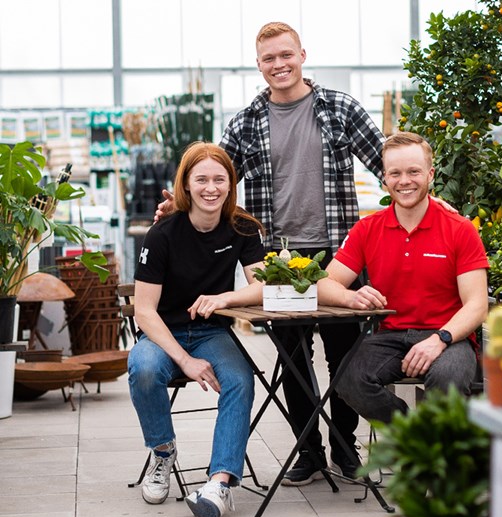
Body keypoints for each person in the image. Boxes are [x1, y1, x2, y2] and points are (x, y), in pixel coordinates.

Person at [157, 21, 386, 485]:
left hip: (338, 253)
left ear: (302, 54)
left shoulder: (340, 109)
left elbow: (388, 165)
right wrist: (176, 206)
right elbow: (212, 179)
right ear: (258, 64)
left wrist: (430, 200)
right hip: (277, 260)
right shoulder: (245, 123)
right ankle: (309, 451)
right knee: (293, 358)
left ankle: (345, 445)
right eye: (268, 59)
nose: (278, 65)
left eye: (286, 55)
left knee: (345, 355)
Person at [128, 142, 265, 517]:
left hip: (211, 332)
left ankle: (219, 483)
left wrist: (224, 297)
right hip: (163, 332)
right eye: (201, 179)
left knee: (240, 379)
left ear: (230, 184)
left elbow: (263, 287)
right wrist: (184, 360)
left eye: (219, 179)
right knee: (144, 368)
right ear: (186, 185)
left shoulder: (242, 227)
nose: (211, 188)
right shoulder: (163, 234)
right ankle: (162, 452)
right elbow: (144, 311)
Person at [317, 132, 490, 424]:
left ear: (430, 174)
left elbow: (477, 305)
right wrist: (351, 296)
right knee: (348, 380)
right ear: (384, 178)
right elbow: (323, 284)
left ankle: (433, 461)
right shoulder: (368, 229)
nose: (404, 181)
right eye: (395, 173)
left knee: (447, 380)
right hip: (390, 336)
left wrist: (440, 338)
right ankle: (413, 439)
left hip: (450, 337)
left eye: (414, 172)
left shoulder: (460, 229)